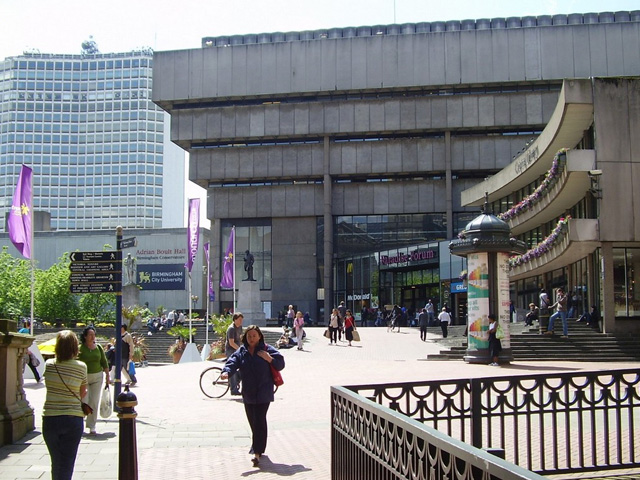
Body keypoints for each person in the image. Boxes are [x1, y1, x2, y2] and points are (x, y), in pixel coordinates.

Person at [220, 325, 285, 466]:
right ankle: (259, 447)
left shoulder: (266, 349)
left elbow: (280, 363)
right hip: (248, 392)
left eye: (254, 336)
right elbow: (232, 362)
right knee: (253, 421)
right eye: (249, 336)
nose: (251, 339)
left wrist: (269, 359)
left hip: (263, 391)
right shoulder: (242, 351)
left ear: (259, 336)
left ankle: (256, 452)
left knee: (259, 420)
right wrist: (226, 372)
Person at [42, 330, 87, 480]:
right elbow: (83, 393)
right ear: (75, 347)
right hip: (72, 417)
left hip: (51, 418)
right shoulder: (81, 367)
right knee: (67, 462)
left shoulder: (49, 364)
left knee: (56, 461)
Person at [77, 326, 109, 435]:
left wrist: (108, 376)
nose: (92, 337)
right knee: (84, 401)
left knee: (94, 401)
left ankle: (92, 425)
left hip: (97, 377)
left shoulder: (98, 347)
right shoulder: (80, 349)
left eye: (94, 335)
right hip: (83, 378)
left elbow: (104, 362)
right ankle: (79, 423)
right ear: (85, 336)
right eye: (90, 335)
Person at [225, 312, 244, 395]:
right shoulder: (231, 329)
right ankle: (233, 389)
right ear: (235, 319)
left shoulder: (239, 327)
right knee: (232, 369)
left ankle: (236, 380)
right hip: (230, 350)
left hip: (237, 349)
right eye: (239, 320)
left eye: (242, 320)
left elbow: (241, 338)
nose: (241, 322)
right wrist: (240, 349)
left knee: (244, 365)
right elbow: (231, 343)